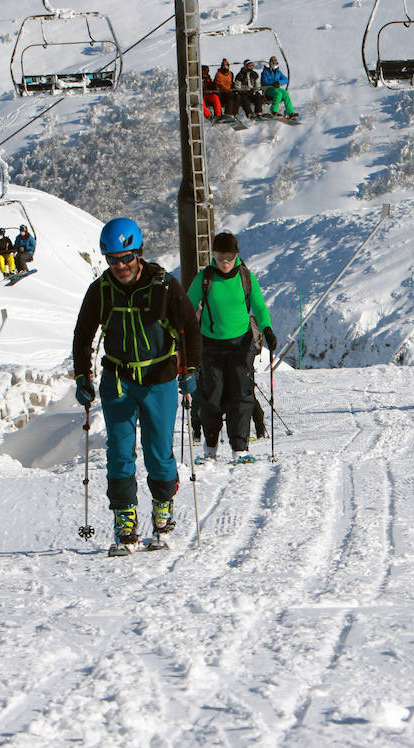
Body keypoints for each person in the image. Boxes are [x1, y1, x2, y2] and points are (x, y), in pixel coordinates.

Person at [72, 217, 201, 554]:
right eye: (113, 259)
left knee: (158, 453)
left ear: (139, 253)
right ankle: (125, 524)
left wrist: (190, 368)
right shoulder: (101, 290)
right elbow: (83, 335)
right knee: (119, 453)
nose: (121, 266)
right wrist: (82, 376)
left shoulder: (164, 286)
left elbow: (189, 327)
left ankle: (163, 514)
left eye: (127, 257)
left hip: (159, 378)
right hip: (118, 380)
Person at [186, 231, 278, 461]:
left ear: (236, 255)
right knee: (212, 396)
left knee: (241, 395)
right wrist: (181, 333)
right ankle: (210, 447)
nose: (225, 262)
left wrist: (267, 329)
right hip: (210, 346)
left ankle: (240, 448)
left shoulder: (246, 277)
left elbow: (259, 306)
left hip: (241, 345)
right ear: (213, 255)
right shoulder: (204, 278)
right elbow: (187, 307)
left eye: (229, 257)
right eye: (220, 257)